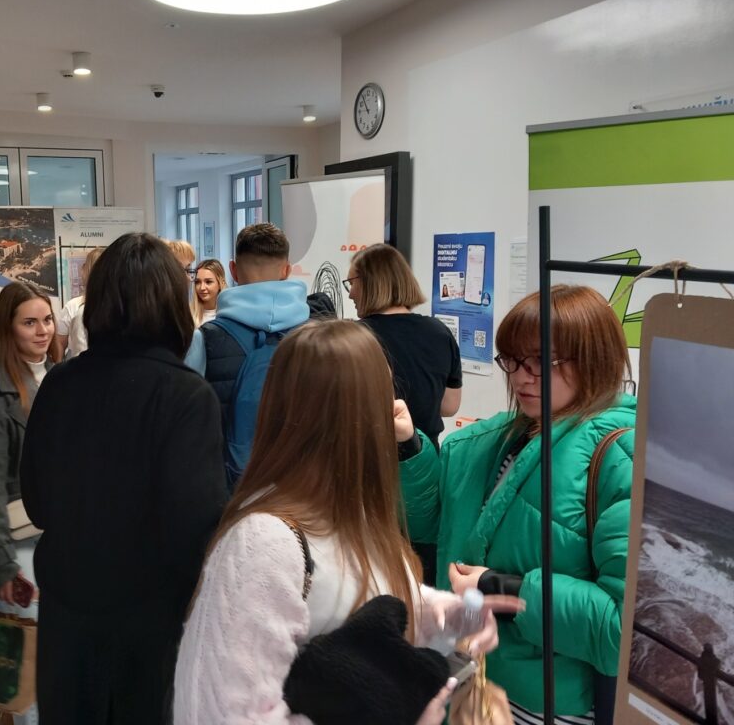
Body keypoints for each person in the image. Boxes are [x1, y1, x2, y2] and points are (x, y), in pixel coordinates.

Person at [174, 321, 515, 724]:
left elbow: (371, 608)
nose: (395, 409)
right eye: (383, 396)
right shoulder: (264, 543)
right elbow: (222, 712)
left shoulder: (354, 513)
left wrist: (455, 615)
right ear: (358, 418)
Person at [397, 284, 636, 723]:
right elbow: (435, 526)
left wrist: (502, 588)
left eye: (542, 362)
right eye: (512, 359)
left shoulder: (620, 458)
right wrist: (409, 446)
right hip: (475, 681)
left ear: (594, 359)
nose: (521, 377)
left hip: (550, 703)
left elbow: (625, 630)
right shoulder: (493, 440)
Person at [20, 233, 228, 725]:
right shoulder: (186, 394)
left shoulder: (60, 382)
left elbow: (37, 503)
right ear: (172, 301)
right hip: (151, 623)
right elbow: (196, 525)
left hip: (69, 612)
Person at [0, 282, 53, 725]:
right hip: (19, 545)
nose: (42, 331)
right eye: (29, 322)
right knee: (30, 674)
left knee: (57, 664)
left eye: (47, 320)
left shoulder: (59, 374)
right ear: (7, 328)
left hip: (59, 540)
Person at [185, 223, 309, 487]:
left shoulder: (204, 339)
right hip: (300, 484)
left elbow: (187, 421)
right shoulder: (320, 339)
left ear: (232, 270)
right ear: (287, 270)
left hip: (228, 486)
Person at [348, 244, 462, 448]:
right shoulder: (440, 332)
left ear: (370, 282)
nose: (350, 294)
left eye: (351, 283)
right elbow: (449, 406)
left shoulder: (355, 337)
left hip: (372, 457)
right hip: (425, 457)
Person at [53, 246, 104, 360]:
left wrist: (58, 368)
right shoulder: (120, 308)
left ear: (85, 270)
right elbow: (59, 346)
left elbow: (60, 345)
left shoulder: (73, 307)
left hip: (78, 366)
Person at [192, 258, 226, 326]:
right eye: (197, 282)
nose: (202, 288)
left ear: (220, 283)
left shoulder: (229, 314)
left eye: (208, 282)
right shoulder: (188, 314)